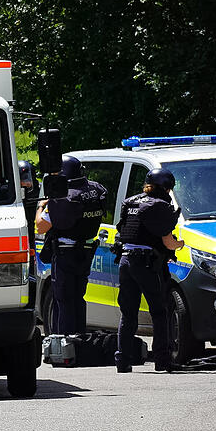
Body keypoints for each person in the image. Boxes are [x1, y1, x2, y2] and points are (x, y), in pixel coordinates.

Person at [113, 168, 184, 373]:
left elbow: (123, 230)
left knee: (128, 313)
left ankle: (123, 361)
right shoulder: (159, 205)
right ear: (165, 187)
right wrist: (180, 244)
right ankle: (162, 361)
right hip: (145, 264)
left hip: (125, 261)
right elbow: (168, 242)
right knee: (159, 312)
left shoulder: (131, 202)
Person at [34, 155, 106, 335]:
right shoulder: (95, 190)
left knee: (64, 300)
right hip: (86, 253)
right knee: (78, 299)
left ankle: (65, 347)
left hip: (66, 253)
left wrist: (40, 207)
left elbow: (41, 227)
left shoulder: (63, 197)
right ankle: (79, 341)